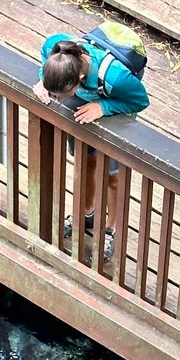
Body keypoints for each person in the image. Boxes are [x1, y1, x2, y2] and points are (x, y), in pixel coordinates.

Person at [32, 32, 149, 262]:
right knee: (86, 161)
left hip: (117, 103)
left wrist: (103, 107)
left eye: (60, 95)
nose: (56, 99)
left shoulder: (117, 78)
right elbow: (43, 57)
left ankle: (111, 229)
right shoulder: (56, 49)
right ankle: (87, 214)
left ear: (81, 77)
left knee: (113, 175)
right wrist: (43, 81)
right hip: (86, 100)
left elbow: (141, 100)